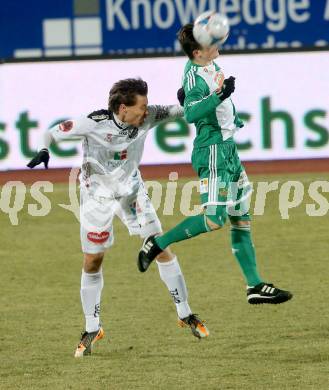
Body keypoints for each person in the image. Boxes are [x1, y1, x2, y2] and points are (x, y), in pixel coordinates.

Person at [27, 78, 209, 358]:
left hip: (132, 194)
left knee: (159, 246)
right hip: (96, 199)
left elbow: (181, 111)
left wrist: (190, 100)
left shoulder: (149, 116)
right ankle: (92, 328)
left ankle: (185, 313)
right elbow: (51, 133)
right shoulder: (93, 122)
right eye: (142, 106)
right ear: (123, 108)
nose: (147, 111)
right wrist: (44, 149)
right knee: (93, 260)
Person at [138, 25, 293, 307]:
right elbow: (191, 113)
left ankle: (254, 285)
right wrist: (219, 96)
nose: (218, 43)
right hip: (212, 152)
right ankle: (157, 243)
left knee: (241, 217)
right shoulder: (195, 75)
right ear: (198, 51)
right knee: (214, 220)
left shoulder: (208, 64)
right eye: (212, 42)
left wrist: (231, 119)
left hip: (228, 149)